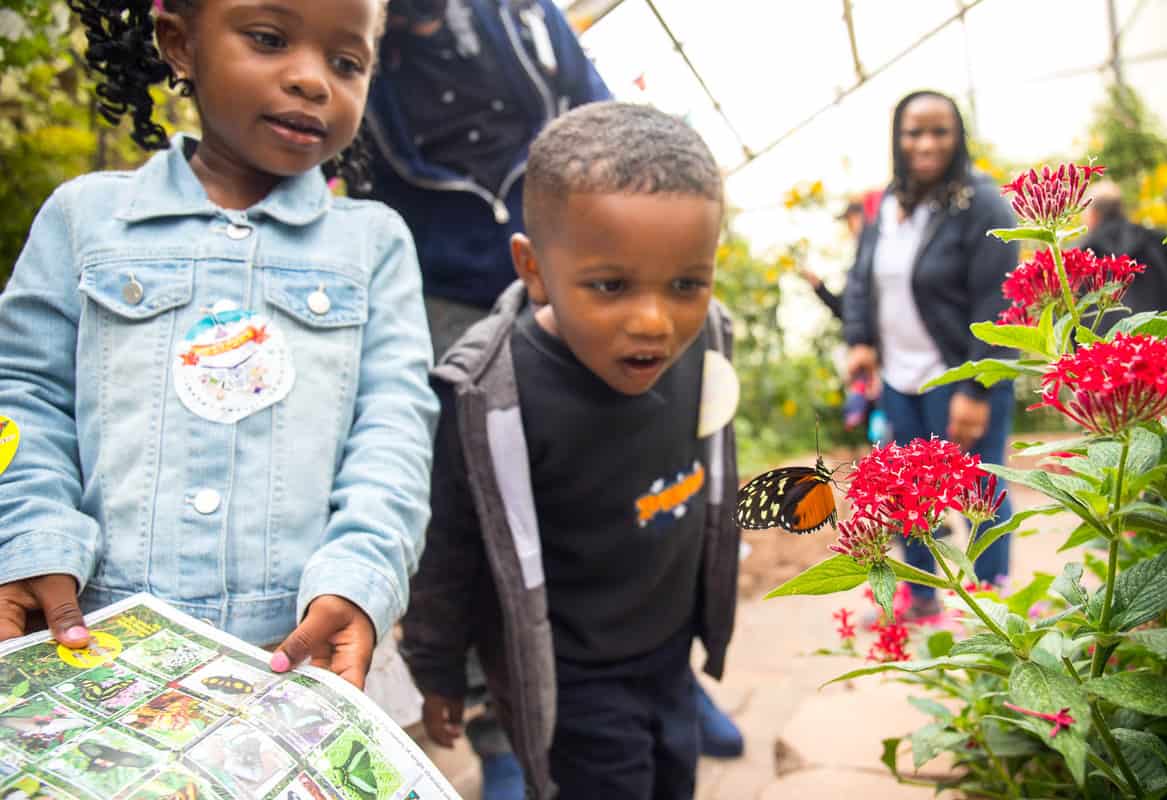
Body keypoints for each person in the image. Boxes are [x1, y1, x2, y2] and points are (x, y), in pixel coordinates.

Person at [0, 0, 437, 692]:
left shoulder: (374, 245)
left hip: (299, 652)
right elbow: (22, 394)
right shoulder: (85, 219)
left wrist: (361, 577)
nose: (313, 81)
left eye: (346, 63)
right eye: (269, 39)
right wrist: (33, 541)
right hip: (95, 638)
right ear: (180, 44)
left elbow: (395, 430)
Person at [401, 102, 740, 800]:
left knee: (676, 780)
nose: (654, 321)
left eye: (687, 284)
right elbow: (451, 549)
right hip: (571, 677)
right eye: (610, 286)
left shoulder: (705, 340)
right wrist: (435, 670)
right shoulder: (494, 394)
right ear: (534, 268)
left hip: (669, 647)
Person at [841, 90, 1019, 618]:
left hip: (959, 375)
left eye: (939, 131)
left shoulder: (980, 204)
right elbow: (860, 277)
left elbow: (999, 298)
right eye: (914, 132)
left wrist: (976, 387)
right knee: (905, 494)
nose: (926, 143)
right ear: (897, 138)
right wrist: (860, 339)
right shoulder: (886, 206)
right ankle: (921, 597)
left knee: (979, 491)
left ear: (958, 136)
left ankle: (993, 607)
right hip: (900, 379)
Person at [361, 0, 611, 356]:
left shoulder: (523, 12)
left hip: (568, 254)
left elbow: (603, 118)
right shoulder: (356, 57)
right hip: (449, 300)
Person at [1081, 180, 1167, 347]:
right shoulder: (1161, 241)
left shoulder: (1081, 256)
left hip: (1108, 361)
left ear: (1092, 215)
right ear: (1121, 209)